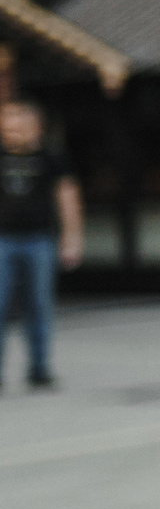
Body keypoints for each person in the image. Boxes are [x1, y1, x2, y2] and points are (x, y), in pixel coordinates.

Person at [0, 99, 81, 391]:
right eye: (7, 127)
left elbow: (67, 197)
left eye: (18, 127)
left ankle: (39, 368)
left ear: (35, 127)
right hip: (2, 240)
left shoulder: (51, 157)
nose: (11, 133)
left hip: (39, 239)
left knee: (39, 305)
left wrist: (71, 238)